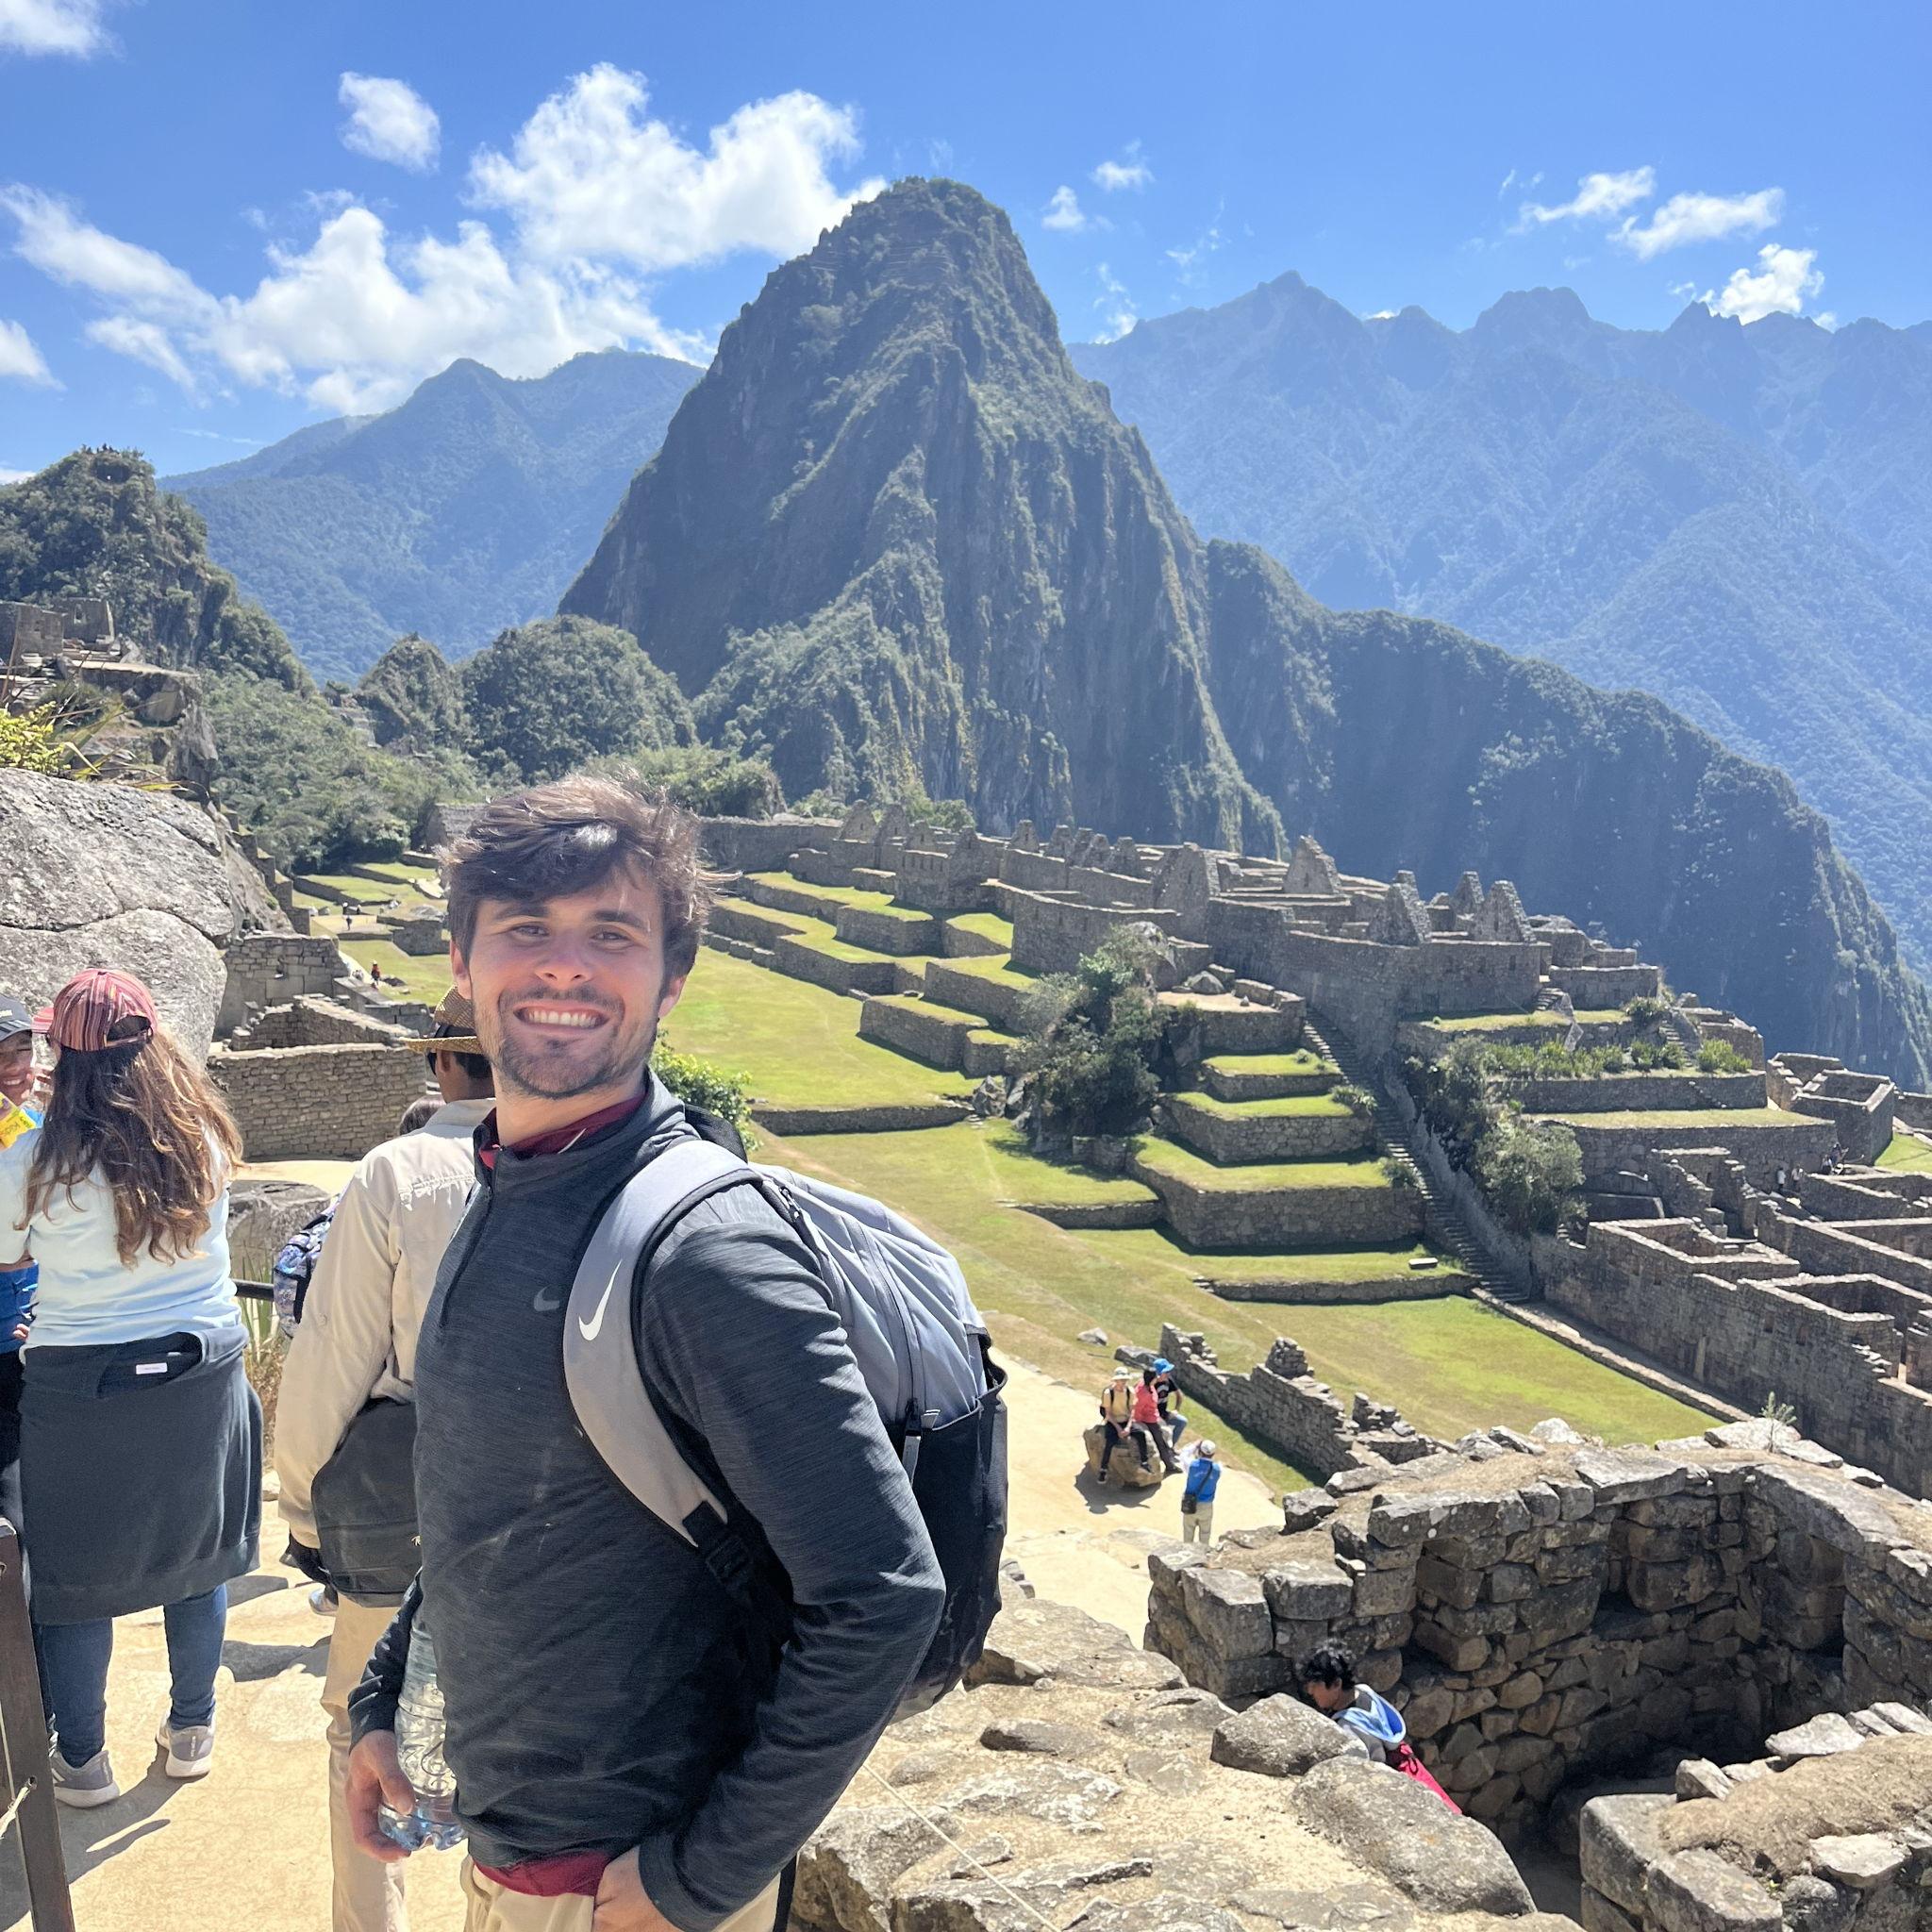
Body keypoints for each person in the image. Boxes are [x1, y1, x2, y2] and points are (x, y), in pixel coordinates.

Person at [343, 777, 945, 1932]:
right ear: (461, 962)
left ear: (670, 977)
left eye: (610, 934)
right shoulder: (503, 1184)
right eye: (525, 928)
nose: (563, 967)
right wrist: (384, 1701)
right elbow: (488, 1503)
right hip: (509, 1849)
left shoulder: (701, 1253)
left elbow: (880, 1591)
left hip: (619, 1885)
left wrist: (699, 1877)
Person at [0, 968, 259, 1807]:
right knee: (198, 1556)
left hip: (82, 1376)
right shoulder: (205, 1137)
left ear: (62, 1058)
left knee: (75, 1576)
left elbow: (8, 1256)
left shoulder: (34, 1157)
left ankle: (83, 1758)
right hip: (205, 1362)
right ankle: (191, 1728)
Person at [277, 991, 495, 1932]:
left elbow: (329, 1362)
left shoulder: (401, 1169)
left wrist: (304, 1520)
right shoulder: (604, 1160)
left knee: (366, 1734)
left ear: (442, 1063)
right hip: (568, 1517)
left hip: (406, 1505)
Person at [1299, 1643, 1457, 1809]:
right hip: (1404, 1763)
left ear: (1337, 1684)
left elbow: (1357, 1777)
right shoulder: (1364, 1691)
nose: (1310, 1692)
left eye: (1315, 1685)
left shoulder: (1347, 1728)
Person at [0, 995, 44, 1535]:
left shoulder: (29, 1122)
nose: (17, 1068)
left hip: (31, 1334)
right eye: (1, 1056)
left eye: (23, 1050)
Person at [1095, 1369, 1141, 1484]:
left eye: (1125, 1379)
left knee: (1141, 1435)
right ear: (1116, 1380)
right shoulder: (1108, 1393)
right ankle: (1103, 1469)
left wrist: (1128, 1427)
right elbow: (1108, 1414)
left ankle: (1144, 1462)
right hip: (1113, 1421)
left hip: (1126, 1421)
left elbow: (1132, 1411)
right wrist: (1118, 1428)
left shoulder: (1130, 1391)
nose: (1123, 1382)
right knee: (1110, 1442)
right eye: (1121, 1380)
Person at [1134, 1367, 1180, 1474]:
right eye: (1156, 1376)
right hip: (1149, 1420)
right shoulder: (1144, 1394)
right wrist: (1140, 1423)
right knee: (1161, 1443)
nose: (1157, 1378)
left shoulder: (1147, 1386)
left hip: (1154, 1417)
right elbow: (1138, 1409)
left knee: (1165, 1437)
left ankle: (1169, 1461)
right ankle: (1169, 1466)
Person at [1180, 1439, 1220, 1545]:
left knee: (1188, 1532)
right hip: (1207, 1505)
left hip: (1190, 1502)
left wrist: (1194, 1445)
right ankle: (1203, 1554)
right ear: (1213, 1454)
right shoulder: (1217, 1469)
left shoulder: (1192, 1465)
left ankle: (1187, 1554)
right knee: (1205, 1533)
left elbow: (1183, 1455)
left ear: (1200, 1451)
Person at [1151, 1357, 1186, 1452]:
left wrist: (1176, 1409)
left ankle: (1170, 1448)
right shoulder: (1151, 1385)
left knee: (1182, 1422)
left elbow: (1179, 1395)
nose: (1168, 1374)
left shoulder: (1168, 1381)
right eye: (1166, 1372)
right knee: (1165, 1431)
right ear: (1158, 1374)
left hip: (1163, 1414)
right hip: (1152, 1416)